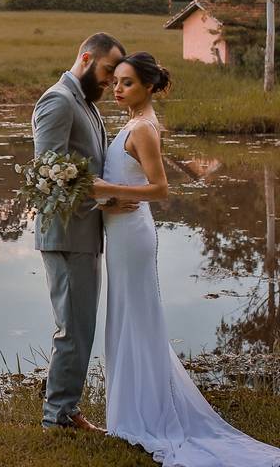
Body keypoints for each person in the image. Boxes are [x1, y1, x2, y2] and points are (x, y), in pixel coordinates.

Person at [94, 51, 280, 465]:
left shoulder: (144, 128)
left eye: (127, 83)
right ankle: (129, 410)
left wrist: (104, 188)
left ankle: (142, 414)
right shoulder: (132, 122)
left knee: (137, 317)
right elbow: (130, 182)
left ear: (147, 86)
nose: (118, 89)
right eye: (117, 82)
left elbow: (160, 189)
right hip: (122, 230)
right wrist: (107, 197)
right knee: (125, 315)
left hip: (134, 235)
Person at [31, 32, 134, 431]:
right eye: (109, 70)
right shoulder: (58, 100)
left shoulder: (86, 103)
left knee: (81, 325)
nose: (111, 80)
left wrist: (107, 202)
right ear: (87, 58)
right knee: (72, 328)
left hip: (85, 230)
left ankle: (66, 410)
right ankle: (57, 417)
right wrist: (112, 196)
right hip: (65, 232)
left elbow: (85, 166)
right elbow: (49, 170)